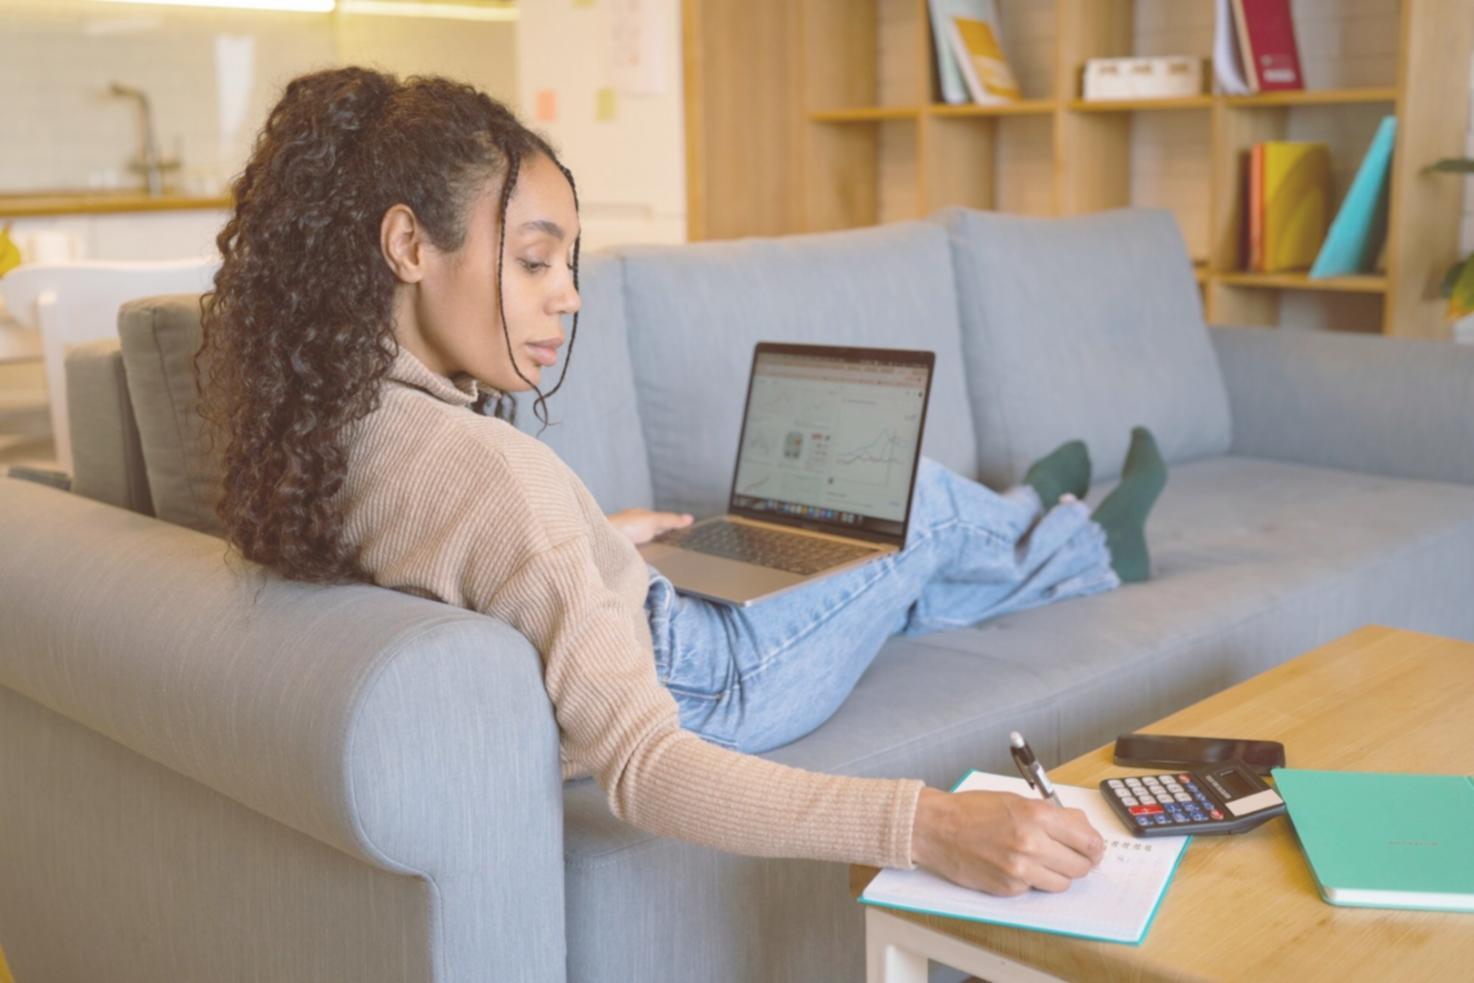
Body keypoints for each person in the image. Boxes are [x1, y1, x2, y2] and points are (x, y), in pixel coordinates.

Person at [196, 67, 1169, 898]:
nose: (568, 294)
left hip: (658, 613)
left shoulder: (325, 424)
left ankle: (1036, 513)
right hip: (720, 668)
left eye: (566, 262)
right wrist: (929, 825)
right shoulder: (495, 478)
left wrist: (587, 541)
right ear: (408, 246)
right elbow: (647, 767)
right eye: (534, 258)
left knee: (895, 572)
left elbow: (469, 556)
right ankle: (1076, 541)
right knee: (912, 499)